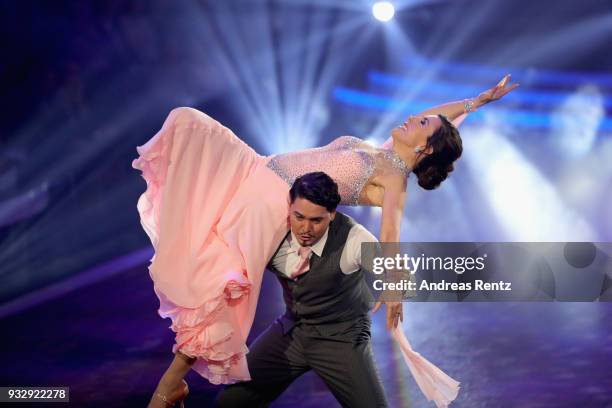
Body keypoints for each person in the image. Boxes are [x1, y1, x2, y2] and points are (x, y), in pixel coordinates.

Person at [133, 76, 518, 407]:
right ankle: (173, 385)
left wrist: (394, 286)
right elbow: (437, 118)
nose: (412, 116)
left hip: (270, 206)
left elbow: (390, 237)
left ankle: (169, 387)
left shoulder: (393, 178)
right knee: (188, 123)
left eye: (421, 122)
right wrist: (477, 101)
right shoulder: (381, 151)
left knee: (215, 285)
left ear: (426, 148)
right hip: (254, 167)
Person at [216, 171, 390, 408]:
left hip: (341, 338)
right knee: (232, 401)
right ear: (289, 207)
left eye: (316, 220)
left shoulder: (354, 238)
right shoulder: (272, 232)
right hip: (293, 330)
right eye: (299, 216)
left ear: (332, 214)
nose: (305, 228)